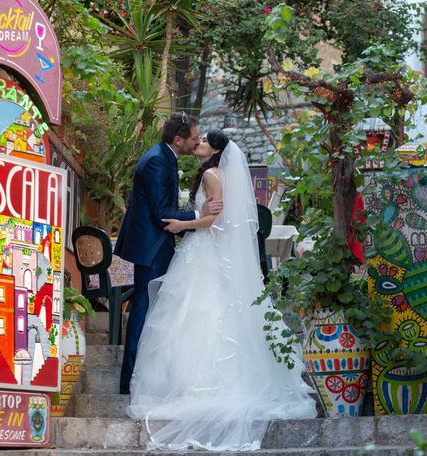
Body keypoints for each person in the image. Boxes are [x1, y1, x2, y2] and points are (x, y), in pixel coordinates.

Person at [127, 130, 316, 451]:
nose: (197, 144)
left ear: (214, 151)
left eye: (203, 142)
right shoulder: (218, 173)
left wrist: (181, 224)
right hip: (207, 253)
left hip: (205, 253)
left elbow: (214, 220)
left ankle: (199, 386)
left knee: (199, 314)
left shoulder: (213, 175)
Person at [114, 113, 222, 395]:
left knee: (153, 311)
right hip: (150, 248)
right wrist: (198, 217)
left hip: (156, 245)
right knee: (144, 312)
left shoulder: (163, 157)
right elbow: (162, 213)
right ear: (178, 140)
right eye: (194, 137)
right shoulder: (158, 162)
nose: (197, 141)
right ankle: (131, 381)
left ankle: (143, 378)